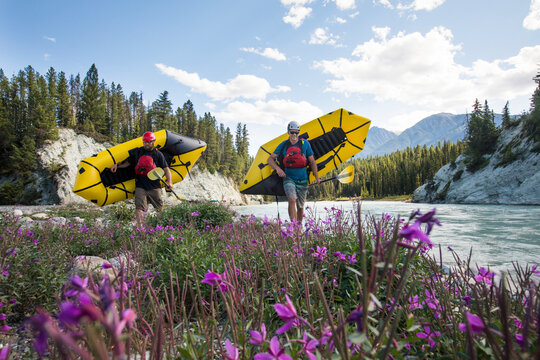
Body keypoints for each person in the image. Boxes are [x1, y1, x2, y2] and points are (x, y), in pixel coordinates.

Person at [110, 131, 173, 227]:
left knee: (159, 208)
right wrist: (117, 165)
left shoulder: (158, 154)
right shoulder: (138, 152)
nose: (146, 144)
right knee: (139, 208)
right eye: (145, 142)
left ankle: (161, 227)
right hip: (140, 186)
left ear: (153, 142)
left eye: (148, 142)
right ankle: (141, 229)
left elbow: (166, 169)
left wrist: (170, 182)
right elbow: (128, 162)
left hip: (155, 186)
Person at [267, 121, 321, 223]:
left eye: (296, 132)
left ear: (299, 133)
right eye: (292, 132)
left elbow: (312, 161)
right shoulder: (283, 145)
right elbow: (270, 159)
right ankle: (294, 227)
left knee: (300, 207)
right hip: (288, 178)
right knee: (292, 199)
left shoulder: (305, 144)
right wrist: (278, 169)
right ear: (288, 132)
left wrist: (317, 178)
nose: (294, 135)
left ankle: (299, 228)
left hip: (303, 179)